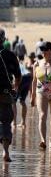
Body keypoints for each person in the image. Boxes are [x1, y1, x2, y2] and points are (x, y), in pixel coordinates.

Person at [0, 29, 21, 162]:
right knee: (6, 121)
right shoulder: (9, 55)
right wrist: (15, 87)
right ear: (3, 39)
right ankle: (5, 152)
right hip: (4, 93)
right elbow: (18, 76)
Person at [14, 53, 34, 130]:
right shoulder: (21, 64)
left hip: (22, 78)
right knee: (22, 101)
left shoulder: (13, 64)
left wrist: (15, 86)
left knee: (13, 101)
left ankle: (14, 122)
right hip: (28, 78)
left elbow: (16, 76)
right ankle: (23, 122)